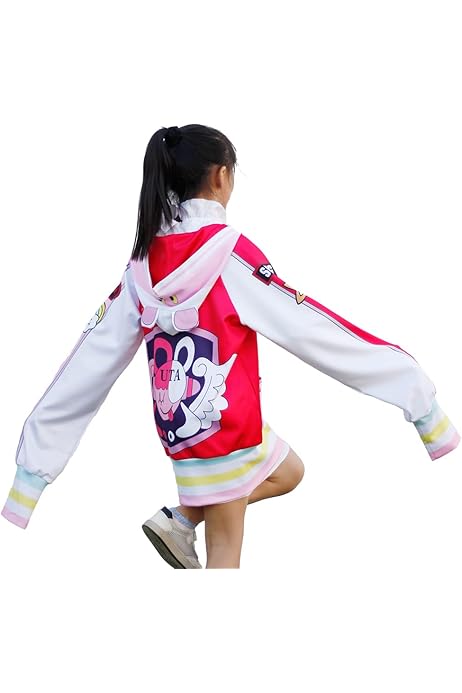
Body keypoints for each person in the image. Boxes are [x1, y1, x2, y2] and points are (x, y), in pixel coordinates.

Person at [2, 124, 459, 570]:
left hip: (187, 431)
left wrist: (31, 475)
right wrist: (416, 393)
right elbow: (313, 329)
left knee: (290, 471)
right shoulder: (230, 254)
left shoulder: (142, 264)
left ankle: (181, 520)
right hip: (226, 437)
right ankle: (188, 533)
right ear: (221, 176)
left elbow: (88, 363)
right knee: (225, 559)